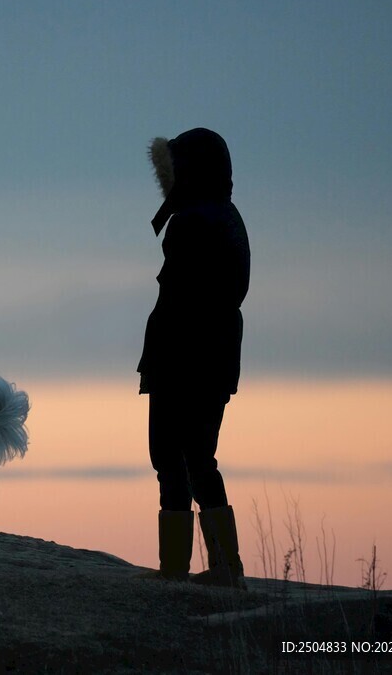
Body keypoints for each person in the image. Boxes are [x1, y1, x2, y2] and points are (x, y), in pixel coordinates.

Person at [137, 128, 250, 588]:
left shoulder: (192, 223)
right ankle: (223, 566)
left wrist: (159, 364)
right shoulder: (226, 216)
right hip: (215, 359)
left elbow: (177, 304)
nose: (167, 182)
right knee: (198, 458)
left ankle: (180, 572)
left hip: (183, 363)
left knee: (174, 458)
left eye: (172, 171)